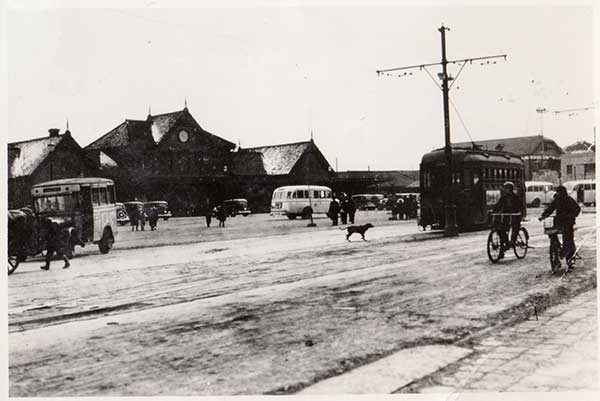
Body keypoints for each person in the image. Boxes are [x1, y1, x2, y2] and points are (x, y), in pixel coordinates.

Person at [539, 185, 581, 266]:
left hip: (568, 223)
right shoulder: (557, 200)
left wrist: (570, 216)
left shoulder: (569, 200)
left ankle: (569, 258)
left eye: (559, 192)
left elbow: (577, 209)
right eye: (557, 192)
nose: (558, 194)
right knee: (551, 234)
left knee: (568, 239)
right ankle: (556, 247)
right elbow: (550, 208)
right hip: (559, 222)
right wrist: (543, 216)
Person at [492, 181, 523, 259]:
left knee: (515, 228)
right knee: (501, 229)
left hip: (515, 216)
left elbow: (521, 206)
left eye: (507, 189)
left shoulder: (516, 197)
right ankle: (504, 246)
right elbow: (498, 205)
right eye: (505, 189)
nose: (505, 190)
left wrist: (519, 213)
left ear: (510, 189)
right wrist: (493, 211)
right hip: (507, 216)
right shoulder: (504, 197)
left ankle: (512, 241)